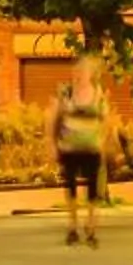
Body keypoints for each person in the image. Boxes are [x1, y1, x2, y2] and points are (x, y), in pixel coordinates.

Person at [49, 53, 110, 248]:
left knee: (92, 189)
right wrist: (52, 144)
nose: (79, 74)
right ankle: (73, 226)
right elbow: (53, 119)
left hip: (91, 148)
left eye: (83, 70)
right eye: (77, 70)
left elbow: (105, 121)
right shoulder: (66, 93)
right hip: (69, 148)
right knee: (71, 187)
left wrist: (103, 143)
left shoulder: (99, 94)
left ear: (91, 73)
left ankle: (90, 227)